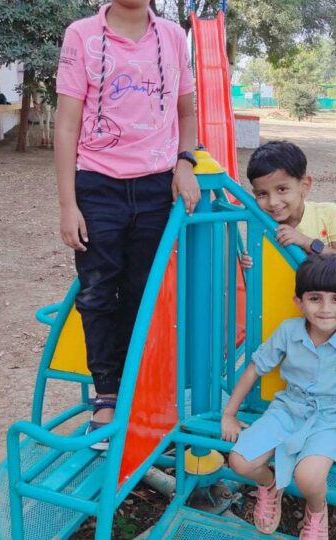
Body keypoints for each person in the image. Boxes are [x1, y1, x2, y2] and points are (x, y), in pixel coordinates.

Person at [54, 0, 200, 450]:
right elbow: (66, 125)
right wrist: (68, 204)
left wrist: (185, 162)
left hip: (156, 187)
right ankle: (106, 397)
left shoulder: (173, 37)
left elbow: (187, 112)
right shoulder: (82, 34)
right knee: (98, 294)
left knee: (145, 294)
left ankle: (140, 392)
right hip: (98, 185)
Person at [221, 254, 336, 538]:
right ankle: (269, 484)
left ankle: (317, 510)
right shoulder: (289, 331)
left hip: (333, 420)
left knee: (307, 477)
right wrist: (229, 414)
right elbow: (255, 367)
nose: (325, 309)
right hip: (288, 409)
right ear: (299, 301)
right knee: (239, 461)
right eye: (315, 298)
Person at [240, 140, 336, 269]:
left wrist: (306, 242)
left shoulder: (327, 213)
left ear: (304, 185)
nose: (273, 202)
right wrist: (249, 263)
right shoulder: (261, 223)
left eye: (282, 189)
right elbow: (264, 268)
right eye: (262, 194)